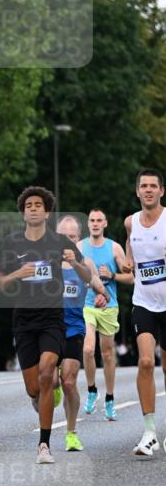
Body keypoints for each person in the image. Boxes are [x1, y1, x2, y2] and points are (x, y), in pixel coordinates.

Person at [0, 186, 91, 464]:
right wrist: (18, 273)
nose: (34, 208)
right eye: (29, 205)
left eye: (39, 205)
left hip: (52, 318)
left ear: (47, 212)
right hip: (24, 320)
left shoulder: (60, 241)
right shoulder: (12, 243)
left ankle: (44, 445)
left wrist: (76, 263)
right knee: (34, 388)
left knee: (48, 373)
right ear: (23, 213)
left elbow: (85, 275)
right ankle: (42, 397)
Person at [56, 216, 112, 451]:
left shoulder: (85, 263)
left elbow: (101, 290)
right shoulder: (44, 263)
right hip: (47, 329)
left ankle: (71, 433)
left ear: (78, 239)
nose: (67, 242)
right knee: (44, 384)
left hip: (74, 328)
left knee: (69, 383)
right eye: (62, 237)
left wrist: (102, 297)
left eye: (72, 237)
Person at [124, 169, 166, 456]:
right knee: (146, 362)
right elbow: (132, 249)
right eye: (144, 186)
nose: (148, 190)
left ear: (161, 191)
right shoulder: (130, 223)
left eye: (153, 186)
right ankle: (150, 432)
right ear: (137, 192)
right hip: (143, 303)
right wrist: (128, 262)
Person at [79, 209, 134, 420]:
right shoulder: (80, 247)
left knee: (108, 353)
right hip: (88, 305)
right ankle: (92, 390)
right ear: (88, 224)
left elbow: (130, 278)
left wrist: (111, 275)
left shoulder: (114, 248)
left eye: (99, 220)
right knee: (88, 348)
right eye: (92, 220)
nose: (95, 223)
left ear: (105, 224)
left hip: (109, 307)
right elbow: (70, 273)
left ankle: (110, 398)